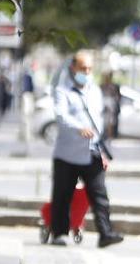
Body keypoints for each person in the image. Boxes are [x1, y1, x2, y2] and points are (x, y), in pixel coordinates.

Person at [50, 50, 123, 248]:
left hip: (92, 151)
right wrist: (78, 128)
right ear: (73, 68)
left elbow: (98, 119)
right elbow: (61, 116)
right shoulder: (62, 91)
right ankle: (59, 233)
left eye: (90, 68)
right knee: (62, 195)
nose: (87, 72)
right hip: (68, 153)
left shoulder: (94, 91)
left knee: (99, 195)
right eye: (83, 68)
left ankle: (105, 233)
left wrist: (102, 146)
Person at [100, 71, 121, 138]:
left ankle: (109, 137)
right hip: (103, 107)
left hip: (111, 108)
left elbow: (117, 97)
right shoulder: (101, 86)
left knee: (110, 123)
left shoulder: (114, 87)